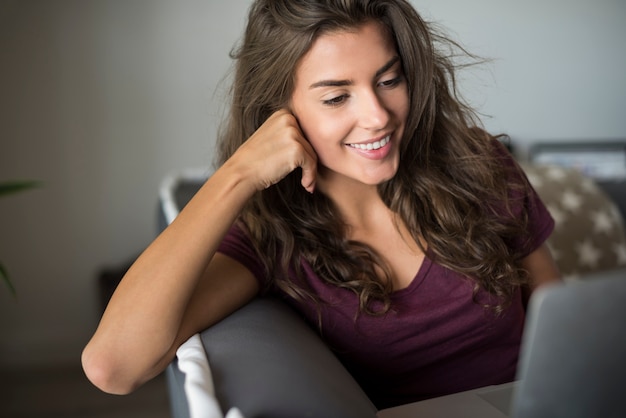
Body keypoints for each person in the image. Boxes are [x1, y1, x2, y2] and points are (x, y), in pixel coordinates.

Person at [82, 0, 560, 410]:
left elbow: (557, 316)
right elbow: (113, 366)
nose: (377, 116)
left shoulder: (477, 163)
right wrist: (239, 172)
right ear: (278, 112)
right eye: (336, 97)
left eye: (389, 80)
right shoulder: (270, 237)